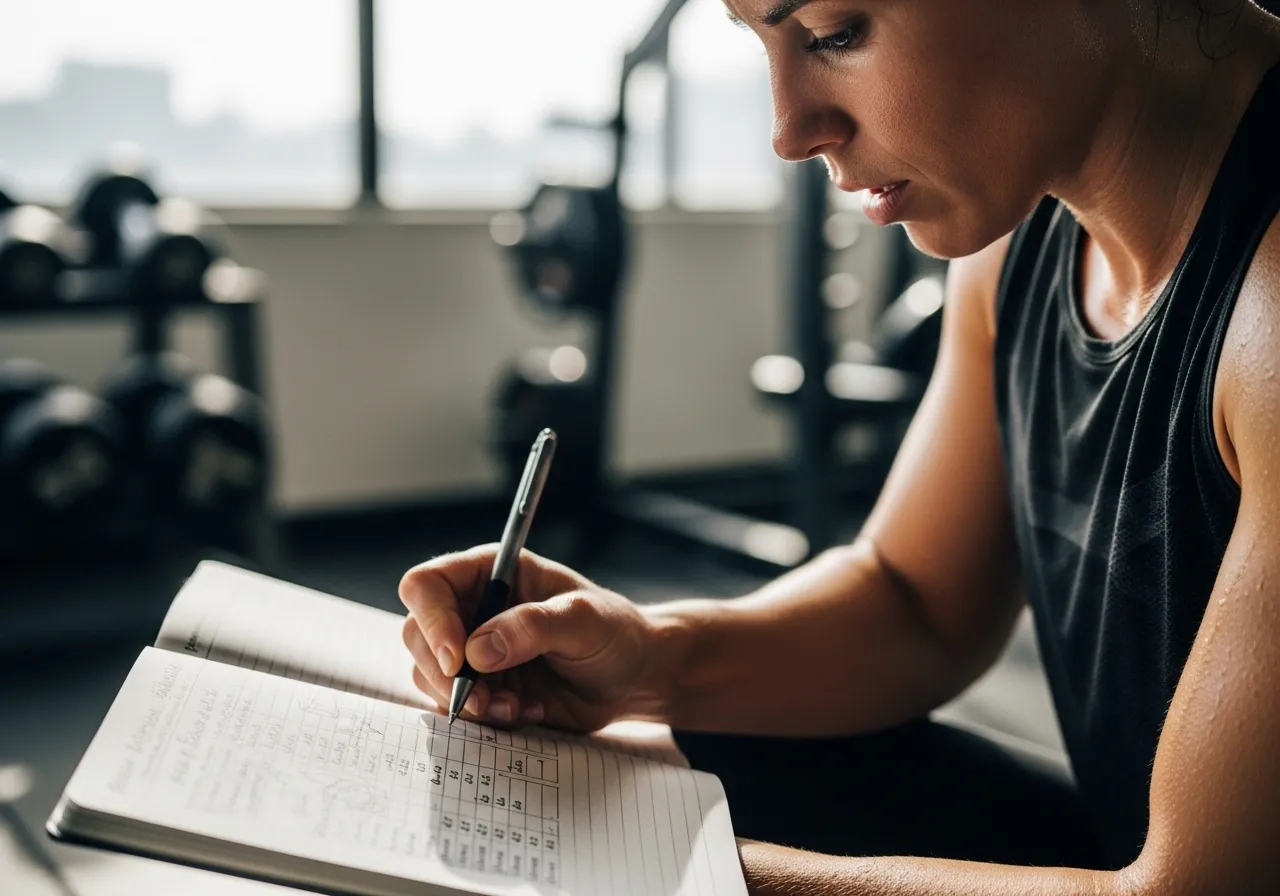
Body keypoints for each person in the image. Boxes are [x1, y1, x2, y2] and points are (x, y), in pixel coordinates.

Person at [400, 1, 1280, 892]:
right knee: (686, 765)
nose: (787, 131)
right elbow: (917, 604)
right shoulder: (1019, 241)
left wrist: (650, 870)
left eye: (833, 32)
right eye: (764, 46)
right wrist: (644, 656)